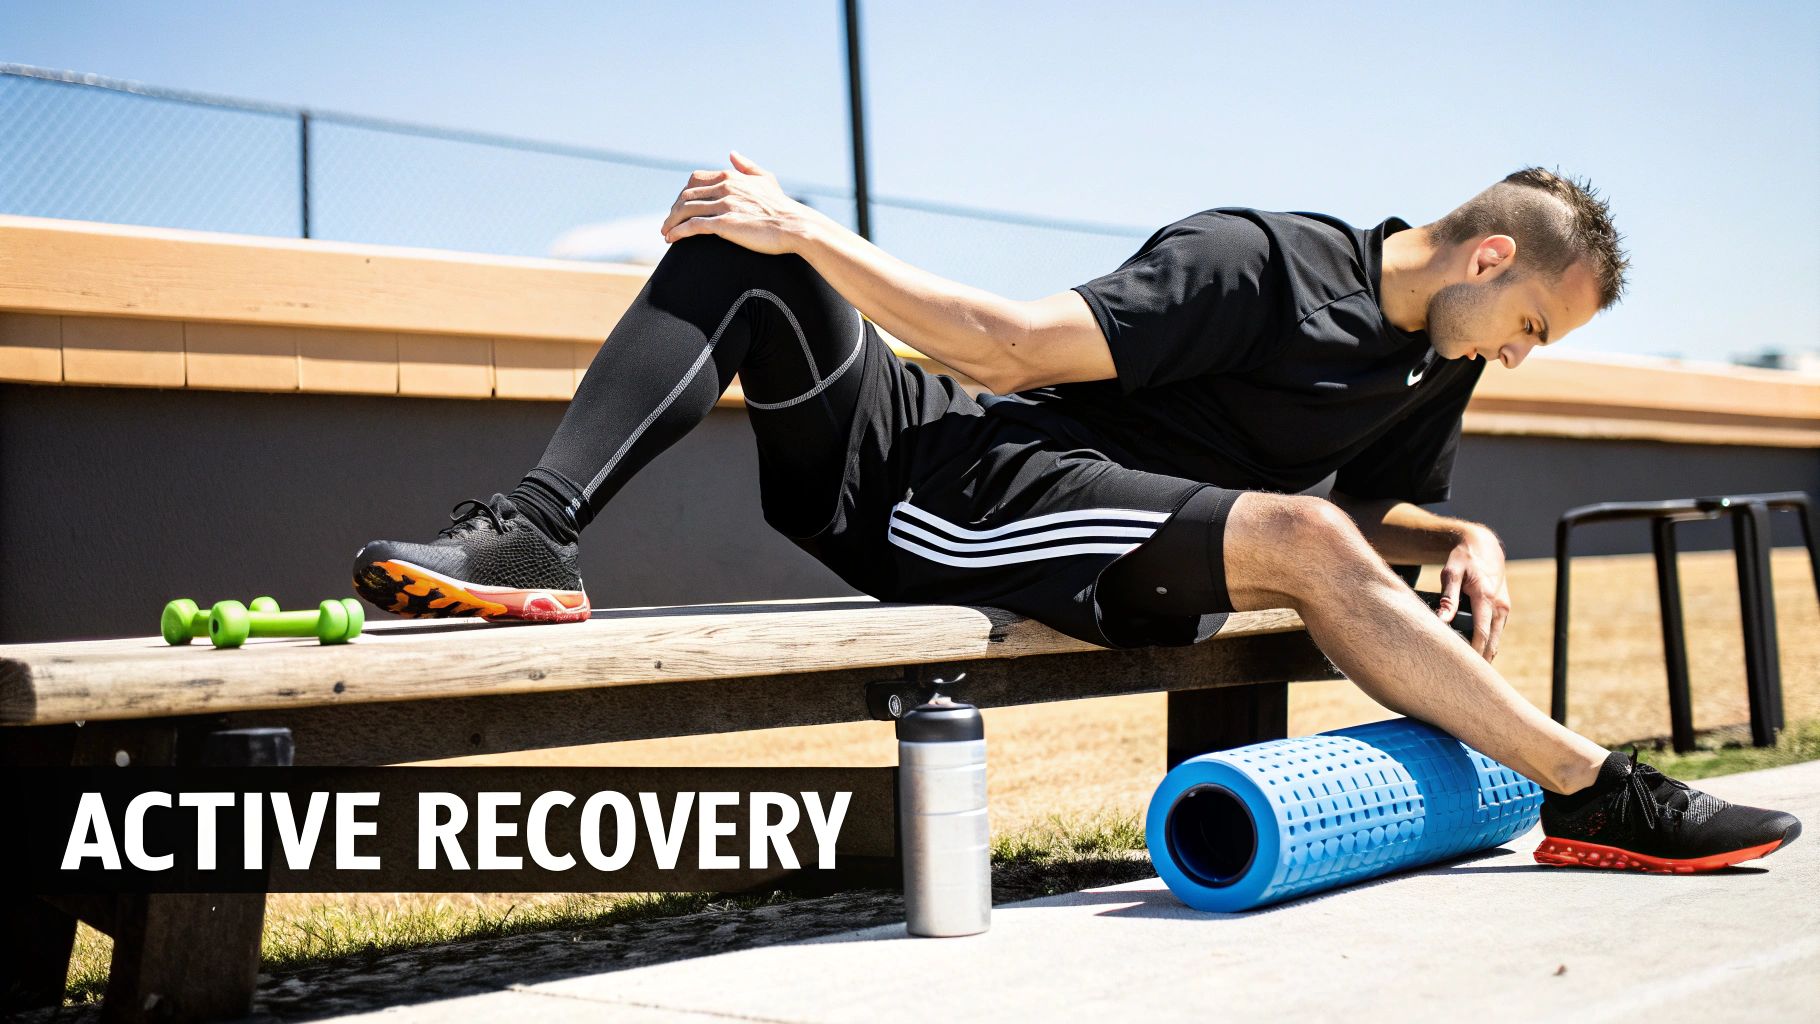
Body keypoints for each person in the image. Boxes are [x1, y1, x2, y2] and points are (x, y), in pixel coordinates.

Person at [353, 155, 1800, 874]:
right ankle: (1596, 791)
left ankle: (1587, 788)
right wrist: (806, 226)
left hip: (1080, 507)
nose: (1522, 355)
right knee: (758, 265)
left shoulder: (1430, 359)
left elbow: (1362, 513)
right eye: (1534, 322)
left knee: (1308, 540)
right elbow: (1000, 350)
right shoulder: (1254, 263)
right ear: (1491, 255)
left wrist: (1459, 537)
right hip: (968, 479)